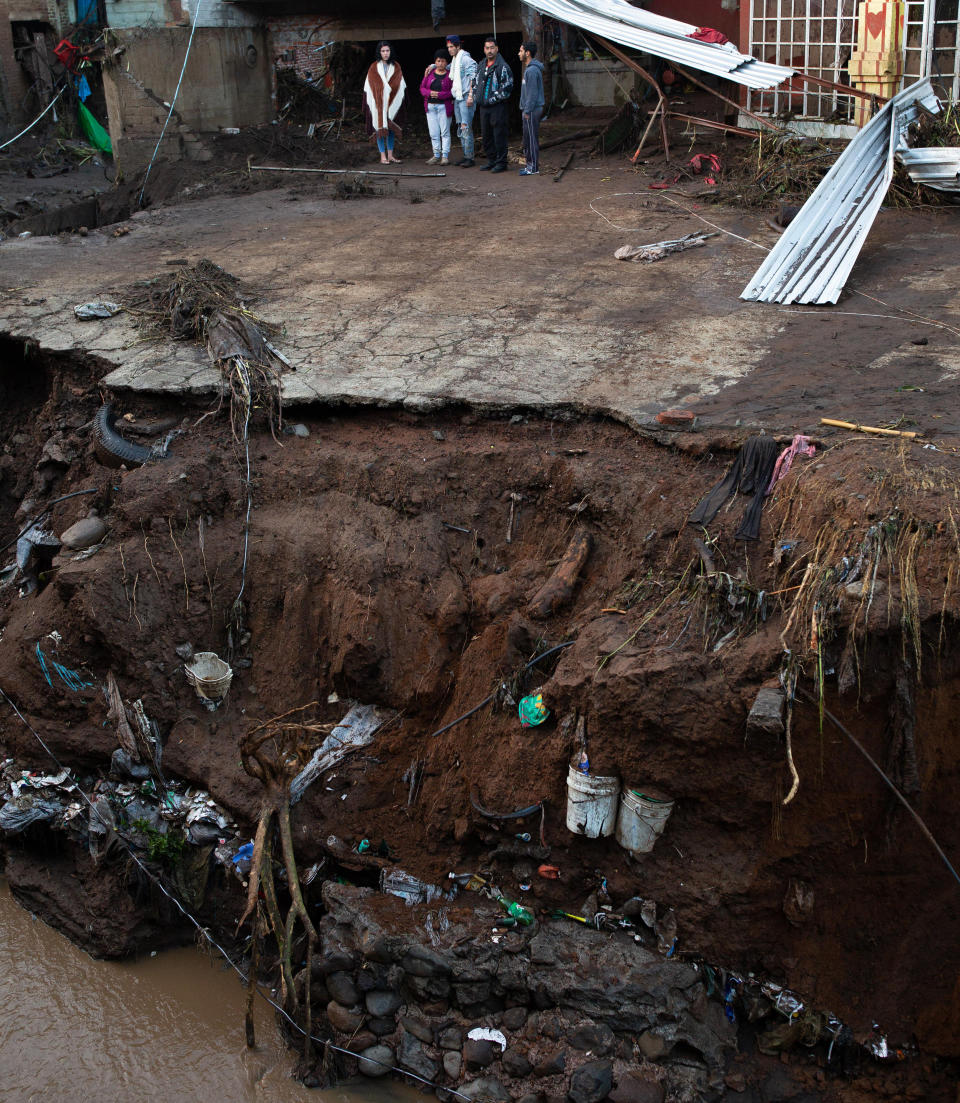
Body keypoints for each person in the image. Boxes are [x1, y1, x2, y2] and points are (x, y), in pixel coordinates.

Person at [469, 34, 513, 174]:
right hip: (483, 108)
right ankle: (492, 160)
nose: (490, 51)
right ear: (484, 49)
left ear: (497, 49)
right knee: (486, 135)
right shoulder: (481, 65)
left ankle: (501, 163)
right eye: (487, 48)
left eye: (492, 48)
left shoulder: (503, 66)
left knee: (499, 134)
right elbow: (474, 82)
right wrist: (476, 96)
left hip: (497, 107)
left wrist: (491, 99)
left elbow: (507, 89)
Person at [363, 41, 405, 165]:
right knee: (380, 128)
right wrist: (382, 91)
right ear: (379, 52)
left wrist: (390, 92)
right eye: (383, 51)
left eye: (387, 51)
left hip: (392, 103)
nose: (385, 53)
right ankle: (383, 156)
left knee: (391, 129)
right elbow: (369, 86)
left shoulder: (396, 66)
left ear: (390, 52)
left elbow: (400, 84)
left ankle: (390, 155)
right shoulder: (373, 67)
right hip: (378, 103)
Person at [446, 35, 478, 167]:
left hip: (465, 97)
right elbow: (446, 68)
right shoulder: (454, 61)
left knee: (466, 127)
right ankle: (466, 155)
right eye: (448, 47)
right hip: (458, 98)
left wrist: (471, 95)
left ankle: (470, 157)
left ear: (458, 46)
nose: (450, 49)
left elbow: (473, 77)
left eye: (452, 47)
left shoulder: (465, 59)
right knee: (461, 127)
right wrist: (432, 65)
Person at [420, 48, 454, 165]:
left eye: (443, 61)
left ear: (447, 63)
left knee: (444, 132)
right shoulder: (429, 74)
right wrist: (430, 93)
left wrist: (439, 95)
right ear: (435, 62)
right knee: (433, 133)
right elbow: (422, 88)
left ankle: (445, 156)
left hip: (443, 107)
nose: (440, 63)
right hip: (430, 107)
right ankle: (436, 155)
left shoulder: (450, 76)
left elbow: (452, 92)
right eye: (438, 61)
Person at [518, 41, 545, 176]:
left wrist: (527, 111)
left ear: (527, 53)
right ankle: (530, 165)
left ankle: (533, 167)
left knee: (531, 138)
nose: (519, 53)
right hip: (531, 109)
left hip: (532, 110)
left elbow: (532, 94)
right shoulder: (529, 69)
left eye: (521, 51)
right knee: (528, 138)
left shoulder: (532, 71)